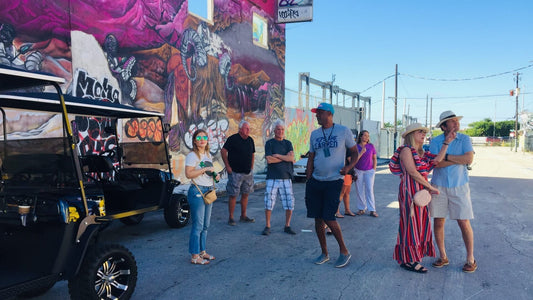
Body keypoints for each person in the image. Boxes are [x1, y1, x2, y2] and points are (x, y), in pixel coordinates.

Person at [389, 123, 452, 273]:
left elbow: (437, 160)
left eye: (424, 132)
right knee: (410, 224)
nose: (423, 135)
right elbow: (412, 172)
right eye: (420, 132)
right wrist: (430, 187)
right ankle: (409, 260)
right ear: (412, 135)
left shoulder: (421, 152)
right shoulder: (406, 150)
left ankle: (412, 257)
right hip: (410, 191)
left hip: (421, 192)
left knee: (420, 223)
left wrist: (446, 143)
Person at [305, 102, 359, 268]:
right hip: (316, 181)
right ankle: (324, 252)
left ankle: (344, 251)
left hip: (334, 181)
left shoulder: (343, 131)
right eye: (316, 113)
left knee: (329, 217)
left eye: (319, 113)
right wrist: (308, 180)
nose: (316, 116)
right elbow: (312, 158)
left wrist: (349, 168)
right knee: (317, 219)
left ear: (329, 114)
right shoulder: (314, 134)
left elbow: (355, 152)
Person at [429, 111, 477, 273]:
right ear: (443, 126)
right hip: (438, 186)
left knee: (463, 221)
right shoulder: (435, 141)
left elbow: (468, 159)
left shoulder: (464, 139)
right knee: (438, 221)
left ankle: (470, 258)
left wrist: (446, 156)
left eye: (457, 120)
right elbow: (436, 164)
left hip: (460, 185)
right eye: (452, 121)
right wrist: (455, 158)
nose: (456, 123)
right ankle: (443, 256)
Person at [185, 129, 220, 265]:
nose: (202, 139)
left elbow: (207, 172)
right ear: (194, 141)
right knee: (198, 225)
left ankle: (202, 252)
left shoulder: (208, 154)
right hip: (197, 191)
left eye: (204, 137)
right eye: (199, 138)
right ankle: (194, 256)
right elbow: (188, 174)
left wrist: (214, 175)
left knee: (206, 225)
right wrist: (205, 169)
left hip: (208, 190)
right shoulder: (192, 156)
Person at [262, 119, 296, 236]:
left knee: (289, 203)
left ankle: (287, 225)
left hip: (286, 177)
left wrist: (278, 156)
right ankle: (267, 226)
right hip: (272, 177)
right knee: (269, 202)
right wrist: (284, 157)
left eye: (282, 129)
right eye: (278, 129)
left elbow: (292, 158)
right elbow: (269, 160)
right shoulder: (269, 143)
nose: (280, 131)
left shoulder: (288, 143)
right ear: (274, 130)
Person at [221, 120, 255, 226]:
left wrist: (251, 166)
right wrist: (227, 166)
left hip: (247, 173)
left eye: (249, 128)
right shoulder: (232, 139)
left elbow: (253, 153)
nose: (248, 130)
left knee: (245, 194)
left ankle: (243, 216)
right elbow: (223, 151)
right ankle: (231, 217)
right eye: (246, 128)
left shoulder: (250, 140)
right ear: (240, 129)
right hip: (235, 172)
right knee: (233, 195)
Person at [354, 130, 378, 217]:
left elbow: (374, 158)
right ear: (360, 136)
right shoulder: (356, 147)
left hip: (369, 171)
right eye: (365, 135)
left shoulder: (371, 146)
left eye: (368, 136)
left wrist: (374, 169)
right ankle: (361, 208)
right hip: (358, 170)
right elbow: (355, 159)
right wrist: (361, 152)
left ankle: (372, 209)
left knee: (369, 189)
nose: (367, 137)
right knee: (359, 189)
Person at [335, 149, 356, 218]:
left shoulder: (347, 149)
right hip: (346, 173)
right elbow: (351, 162)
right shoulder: (347, 150)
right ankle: (336, 211)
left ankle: (347, 210)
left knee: (347, 192)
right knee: (342, 192)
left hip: (348, 173)